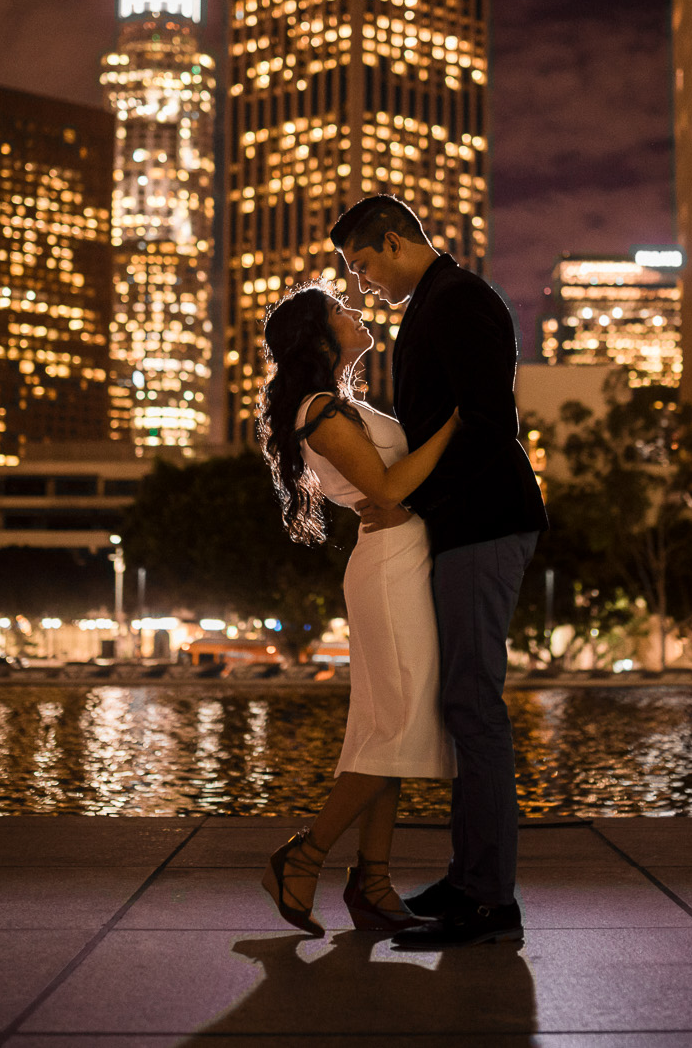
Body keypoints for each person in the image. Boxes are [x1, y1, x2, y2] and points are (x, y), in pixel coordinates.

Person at [329, 194, 547, 950]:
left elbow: (488, 423)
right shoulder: (436, 303)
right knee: (462, 701)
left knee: (472, 701)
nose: (362, 283)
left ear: (393, 241)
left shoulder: (460, 299)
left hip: (484, 521)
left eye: (362, 264)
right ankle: (468, 880)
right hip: (462, 524)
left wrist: (414, 500)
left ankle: (489, 900)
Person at [255, 283, 460, 936]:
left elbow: (396, 490)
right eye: (342, 310)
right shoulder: (319, 410)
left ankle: (372, 882)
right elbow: (391, 488)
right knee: (395, 726)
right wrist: (457, 420)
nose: (357, 312)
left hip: (400, 561)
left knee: (385, 728)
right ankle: (305, 855)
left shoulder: (342, 405)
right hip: (392, 567)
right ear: (317, 337)